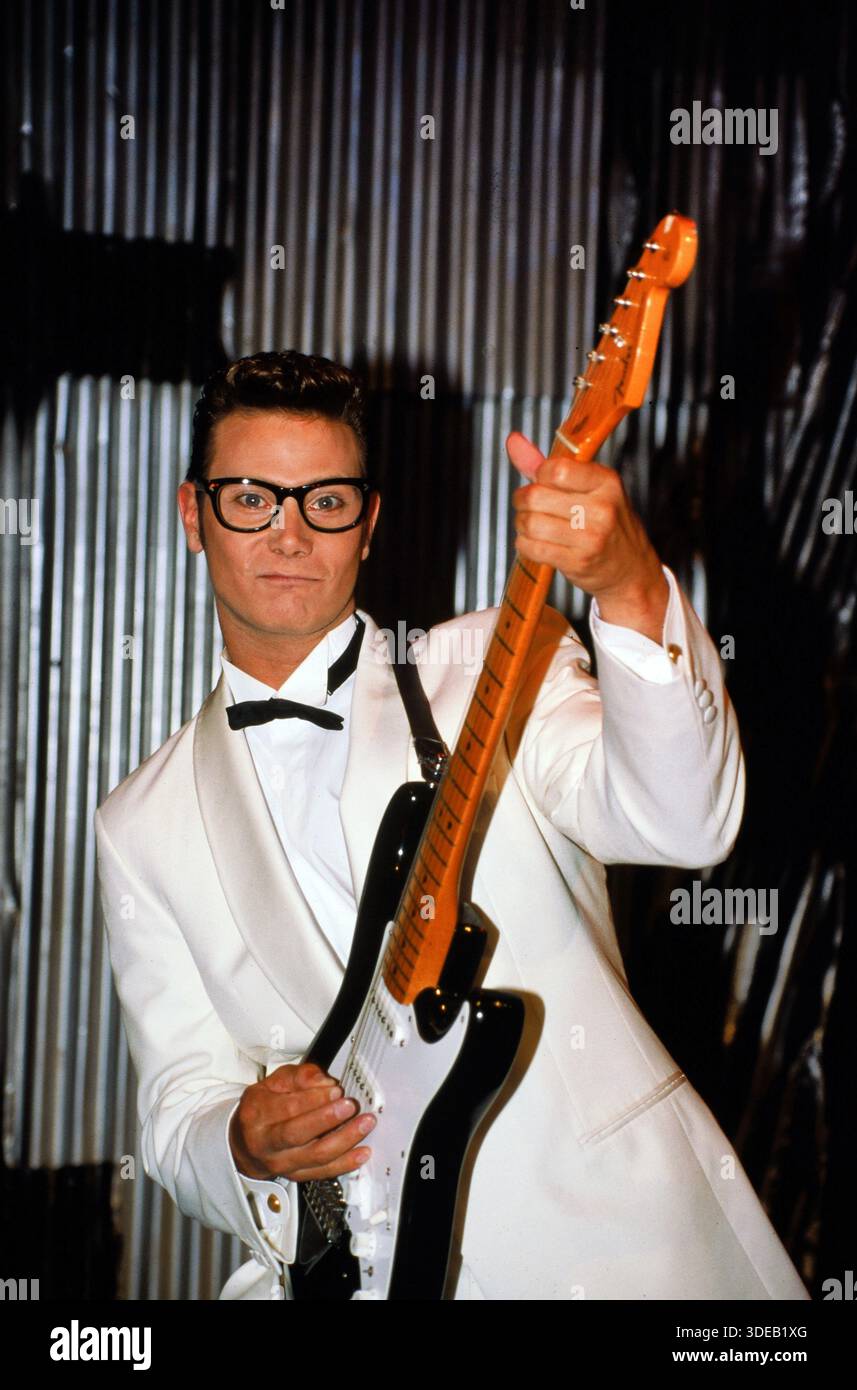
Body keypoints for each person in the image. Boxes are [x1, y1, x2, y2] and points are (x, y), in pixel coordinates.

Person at [94, 350, 809, 1301]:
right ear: (194, 514)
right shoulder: (138, 822)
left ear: (369, 523)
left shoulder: (490, 665)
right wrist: (241, 1142)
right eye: (250, 498)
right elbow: (177, 1112)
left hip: (621, 1254)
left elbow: (683, 822)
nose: (291, 532)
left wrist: (629, 588)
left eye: (326, 500)